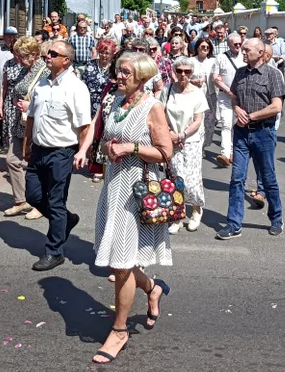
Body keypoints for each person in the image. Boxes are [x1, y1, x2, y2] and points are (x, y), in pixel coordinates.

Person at [92, 52, 172, 364]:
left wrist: (131, 147)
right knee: (117, 261)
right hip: (113, 187)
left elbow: (166, 152)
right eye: (118, 71)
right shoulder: (114, 101)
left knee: (122, 264)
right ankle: (153, 288)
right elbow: (104, 139)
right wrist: (107, 147)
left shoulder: (152, 107)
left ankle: (120, 330)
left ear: (141, 76)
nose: (119, 76)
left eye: (125, 72)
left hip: (136, 190)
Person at [24, 40, 91, 271]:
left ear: (66, 60)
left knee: (55, 201)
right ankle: (66, 220)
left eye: (53, 53)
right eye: (47, 53)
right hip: (39, 150)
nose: (47, 56)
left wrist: (83, 153)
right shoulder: (42, 84)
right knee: (32, 196)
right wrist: (27, 143)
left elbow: (84, 125)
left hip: (62, 152)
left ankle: (54, 251)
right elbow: (31, 116)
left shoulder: (76, 87)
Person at [215, 39, 285, 240]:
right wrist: (237, 108)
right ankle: (233, 223)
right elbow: (234, 96)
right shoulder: (240, 72)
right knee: (237, 178)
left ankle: (277, 218)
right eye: (243, 49)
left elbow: (276, 106)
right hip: (242, 134)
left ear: (260, 52)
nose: (243, 53)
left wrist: (251, 116)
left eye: (247, 50)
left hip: (263, 132)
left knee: (268, 177)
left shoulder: (273, 74)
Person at [0, 36, 48, 218]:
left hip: (37, 124)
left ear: (33, 55)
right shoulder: (23, 70)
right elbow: (16, 90)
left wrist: (30, 106)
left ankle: (40, 203)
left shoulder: (44, 71)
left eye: (22, 56)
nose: (18, 60)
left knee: (37, 165)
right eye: (17, 56)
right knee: (12, 159)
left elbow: (47, 98)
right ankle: (21, 200)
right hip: (21, 123)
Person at [164, 56, 208, 233]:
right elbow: (159, 114)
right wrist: (170, 134)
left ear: (191, 73)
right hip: (171, 139)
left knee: (191, 178)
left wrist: (182, 135)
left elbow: (198, 120)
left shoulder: (197, 93)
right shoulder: (167, 90)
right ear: (174, 71)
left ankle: (196, 209)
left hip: (191, 140)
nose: (183, 74)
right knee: (175, 179)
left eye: (187, 71)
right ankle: (178, 215)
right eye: (179, 71)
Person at [81, 37, 118, 181]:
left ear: (112, 53)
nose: (104, 55)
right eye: (101, 52)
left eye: (107, 52)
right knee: (92, 134)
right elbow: (82, 85)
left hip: (107, 105)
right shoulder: (89, 66)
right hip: (89, 104)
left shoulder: (114, 68)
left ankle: (103, 166)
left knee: (103, 134)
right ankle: (93, 163)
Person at [211, 33, 244, 167]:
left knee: (236, 125)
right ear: (229, 44)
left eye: (239, 44)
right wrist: (228, 90)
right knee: (226, 124)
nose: (237, 46)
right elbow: (215, 78)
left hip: (241, 98)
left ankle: (232, 152)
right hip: (225, 97)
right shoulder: (221, 58)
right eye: (235, 44)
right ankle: (225, 153)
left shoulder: (245, 57)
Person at [0, 26, 18, 149]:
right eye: (8, 35)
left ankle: (10, 143)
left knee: (12, 117)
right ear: (4, 36)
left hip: (13, 91)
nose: (10, 38)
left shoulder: (17, 51)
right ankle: (3, 139)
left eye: (12, 36)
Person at [190, 37, 218, 148]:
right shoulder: (191, 61)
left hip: (210, 95)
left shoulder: (213, 61)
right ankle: (197, 144)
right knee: (196, 120)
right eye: (202, 47)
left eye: (207, 47)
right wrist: (193, 81)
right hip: (195, 95)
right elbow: (184, 78)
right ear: (197, 48)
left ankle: (204, 145)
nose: (205, 49)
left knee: (209, 121)